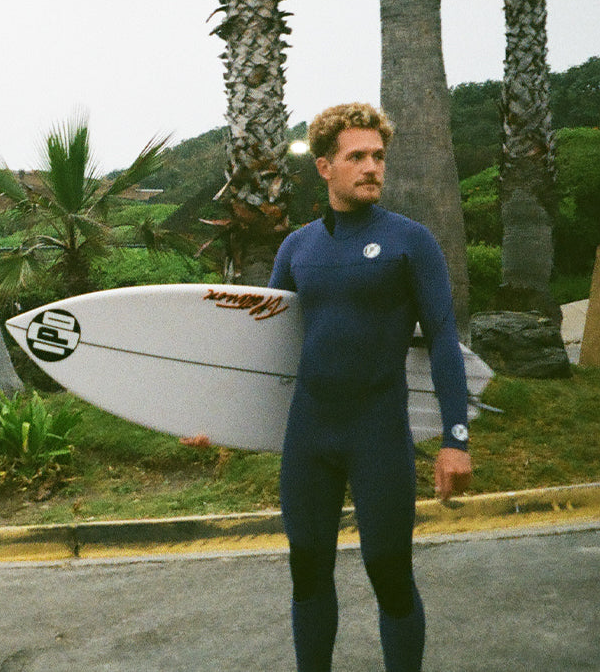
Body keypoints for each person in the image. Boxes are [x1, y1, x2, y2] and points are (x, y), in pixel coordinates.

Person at [189, 103, 472, 671]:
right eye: (357, 157)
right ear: (324, 167)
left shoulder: (410, 241)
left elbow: (444, 340)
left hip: (378, 432)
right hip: (309, 435)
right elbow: (266, 350)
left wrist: (455, 440)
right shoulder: (297, 248)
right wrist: (216, 421)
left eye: (378, 157)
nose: (372, 167)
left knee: (389, 571)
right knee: (308, 569)